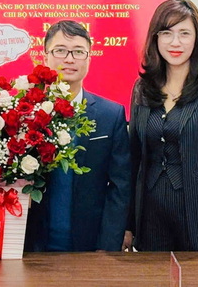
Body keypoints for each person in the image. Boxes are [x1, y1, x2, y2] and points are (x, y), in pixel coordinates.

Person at [124, 0, 198, 252]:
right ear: (155, 38)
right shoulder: (142, 88)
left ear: (197, 39)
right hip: (150, 216)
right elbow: (134, 160)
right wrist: (128, 224)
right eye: (166, 33)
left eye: (184, 33)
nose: (175, 42)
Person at [24, 20, 130, 252]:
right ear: (45, 57)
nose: (69, 59)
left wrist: (108, 246)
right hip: (31, 245)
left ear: (89, 59)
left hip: (90, 246)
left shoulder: (111, 115)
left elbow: (120, 187)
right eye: (60, 51)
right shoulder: (24, 113)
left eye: (78, 52)